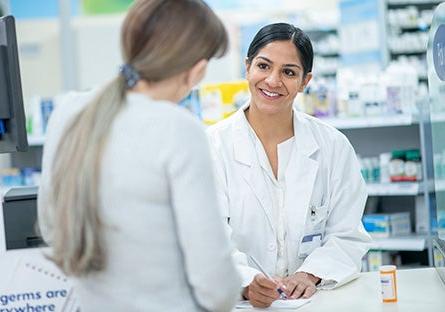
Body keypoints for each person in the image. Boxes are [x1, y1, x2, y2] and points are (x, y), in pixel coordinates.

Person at [37, 1, 241, 311]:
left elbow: (50, 226)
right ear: (197, 69)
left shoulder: (69, 112)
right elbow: (216, 286)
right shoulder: (178, 129)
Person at [207, 22, 372, 308]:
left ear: (305, 81)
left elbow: (347, 234)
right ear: (247, 68)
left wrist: (309, 274)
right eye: (263, 66)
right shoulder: (212, 147)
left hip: (316, 301)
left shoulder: (332, 146)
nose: (272, 80)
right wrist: (246, 282)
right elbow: (207, 239)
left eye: (288, 72)